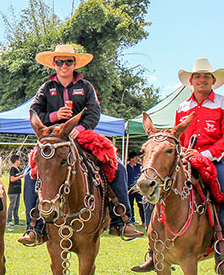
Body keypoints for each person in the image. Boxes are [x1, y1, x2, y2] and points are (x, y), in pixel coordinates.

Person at [18, 44, 143, 245]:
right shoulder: (46, 88)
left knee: (117, 165)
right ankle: (34, 227)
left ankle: (123, 220)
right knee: (29, 172)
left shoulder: (85, 86)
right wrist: (55, 116)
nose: (64, 65)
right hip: (53, 139)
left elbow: (94, 112)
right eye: (60, 62)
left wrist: (81, 128)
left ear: (74, 64)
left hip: (81, 136)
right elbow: (34, 112)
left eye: (68, 62)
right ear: (54, 64)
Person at [132, 58, 224, 275]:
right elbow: (177, 138)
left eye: (206, 77)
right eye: (197, 77)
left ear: (213, 81)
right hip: (185, 160)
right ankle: (155, 249)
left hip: (215, 160)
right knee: (158, 192)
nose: (202, 80)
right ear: (191, 81)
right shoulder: (183, 107)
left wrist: (205, 155)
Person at [126, 153, 150, 226]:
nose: (137, 159)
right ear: (132, 159)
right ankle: (132, 220)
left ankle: (144, 221)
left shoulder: (139, 166)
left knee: (141, 204)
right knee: (130, 205)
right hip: (129, 188)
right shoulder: (126, 166)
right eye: (136, 158)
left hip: (137, 188)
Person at [6, 155, 23, 226]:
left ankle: (16, 221)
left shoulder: (18, 169)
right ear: (16, 161)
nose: (20, 161)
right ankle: (9, 220)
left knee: (17, 206)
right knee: (12, 206)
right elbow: (12, 179)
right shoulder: (13, 169)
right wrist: (20, 176)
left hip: (17, 191)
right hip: (13, 191)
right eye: (19, 160)